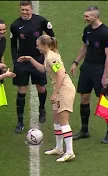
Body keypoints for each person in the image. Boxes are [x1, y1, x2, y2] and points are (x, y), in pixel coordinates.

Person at [18, 34, 76, 162]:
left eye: (38, 45)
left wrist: (55, 93)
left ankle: (70, 152)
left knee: (63, 121)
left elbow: (60, 75)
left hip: (64, 90)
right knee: (56, 119)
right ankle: (59, 148)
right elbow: (43, 69)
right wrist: (30, 59)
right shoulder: (49, 55)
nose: (37, 47)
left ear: (44, 45)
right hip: (61, 90)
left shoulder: (51, 57)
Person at [70, 5, 108, 144]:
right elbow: (84, 47)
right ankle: (84, 130)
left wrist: (105, 76)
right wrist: (76, 62)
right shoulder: (87, 30)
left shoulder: (106, 33)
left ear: (95, 17)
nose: (85, 18)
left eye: (87, 16)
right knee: (84, 97)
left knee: (104, 101)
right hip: (87, 68)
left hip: (99, 69)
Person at [10, 1, 55, 133]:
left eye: (27, 9)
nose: (24, 12)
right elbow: (13, 44)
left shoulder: (40, 21)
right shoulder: (15, 25)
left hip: (38, 59)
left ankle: (42, 109)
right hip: (22, 61)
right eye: (22, 10)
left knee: (41, 88)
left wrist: (48, 54)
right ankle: (20, 121)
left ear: (31, 9)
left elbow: (52, 36)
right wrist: (15, 61)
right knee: (22, 90)